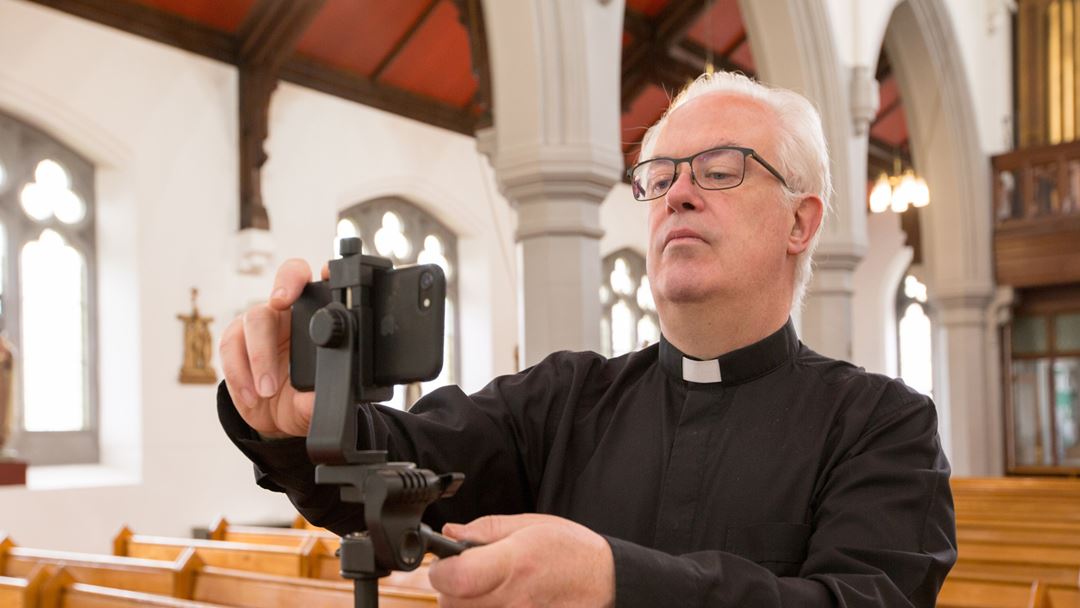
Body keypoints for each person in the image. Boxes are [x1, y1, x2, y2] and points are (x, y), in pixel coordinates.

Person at [218, 71, 956, 607]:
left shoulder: (885, 427)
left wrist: (616, 582)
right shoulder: (563, 397)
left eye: (720, 170)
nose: (678, 193)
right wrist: (301, 414)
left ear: (802, 222)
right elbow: (403, 468)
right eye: (659, 174)